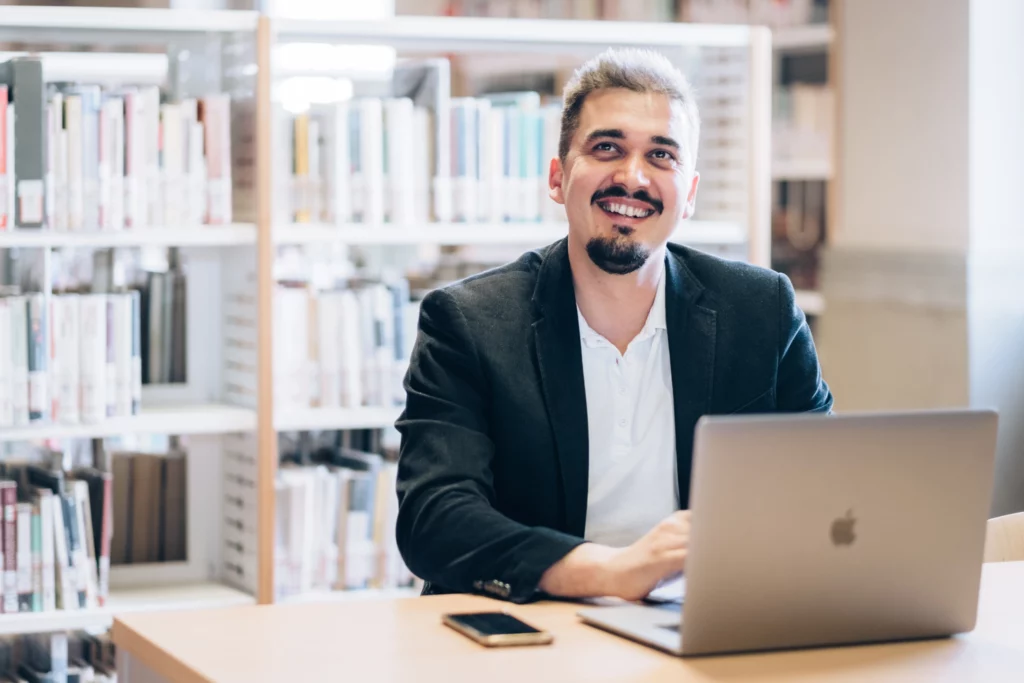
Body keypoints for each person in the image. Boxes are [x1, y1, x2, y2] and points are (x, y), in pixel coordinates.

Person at [395, 47, 833, 605]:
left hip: (705, 619)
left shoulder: (761, 309)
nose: (632, 176)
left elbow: (823, 481)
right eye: (607, 148)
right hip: (538, 626)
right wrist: (611, 572)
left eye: (661, 156)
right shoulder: (469, 322)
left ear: (690, 194)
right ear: (558, 177)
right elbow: (434, 519)